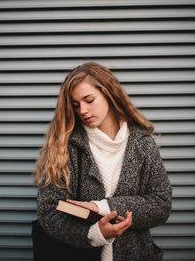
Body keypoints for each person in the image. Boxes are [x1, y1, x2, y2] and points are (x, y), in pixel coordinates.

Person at [34, 62, 172, 261]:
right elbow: (48, 212)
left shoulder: (143, 145)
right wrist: (94, 234)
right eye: (76, 104)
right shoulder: (65, 147)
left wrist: (104, 207)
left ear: (108, 94)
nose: (82, 110)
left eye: (89, 100)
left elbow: (161, 204)